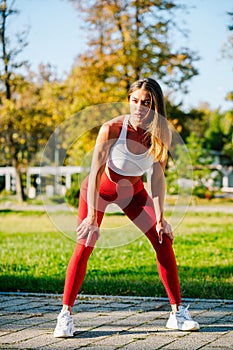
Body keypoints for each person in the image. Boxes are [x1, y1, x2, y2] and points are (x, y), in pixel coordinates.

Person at [54, 78, 200, 337]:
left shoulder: (161, 133)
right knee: (85, 243)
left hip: (133, 193)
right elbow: (95, 171)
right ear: (128, 100)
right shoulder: (112, 128)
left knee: (163, 239)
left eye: (146, 103)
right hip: (99, 190)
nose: (139, 107)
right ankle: (65, 315)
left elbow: (156, 177)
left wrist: (161, 218)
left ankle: (177, 313)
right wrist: (91, 218)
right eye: (134, 101)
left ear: (155, 106)